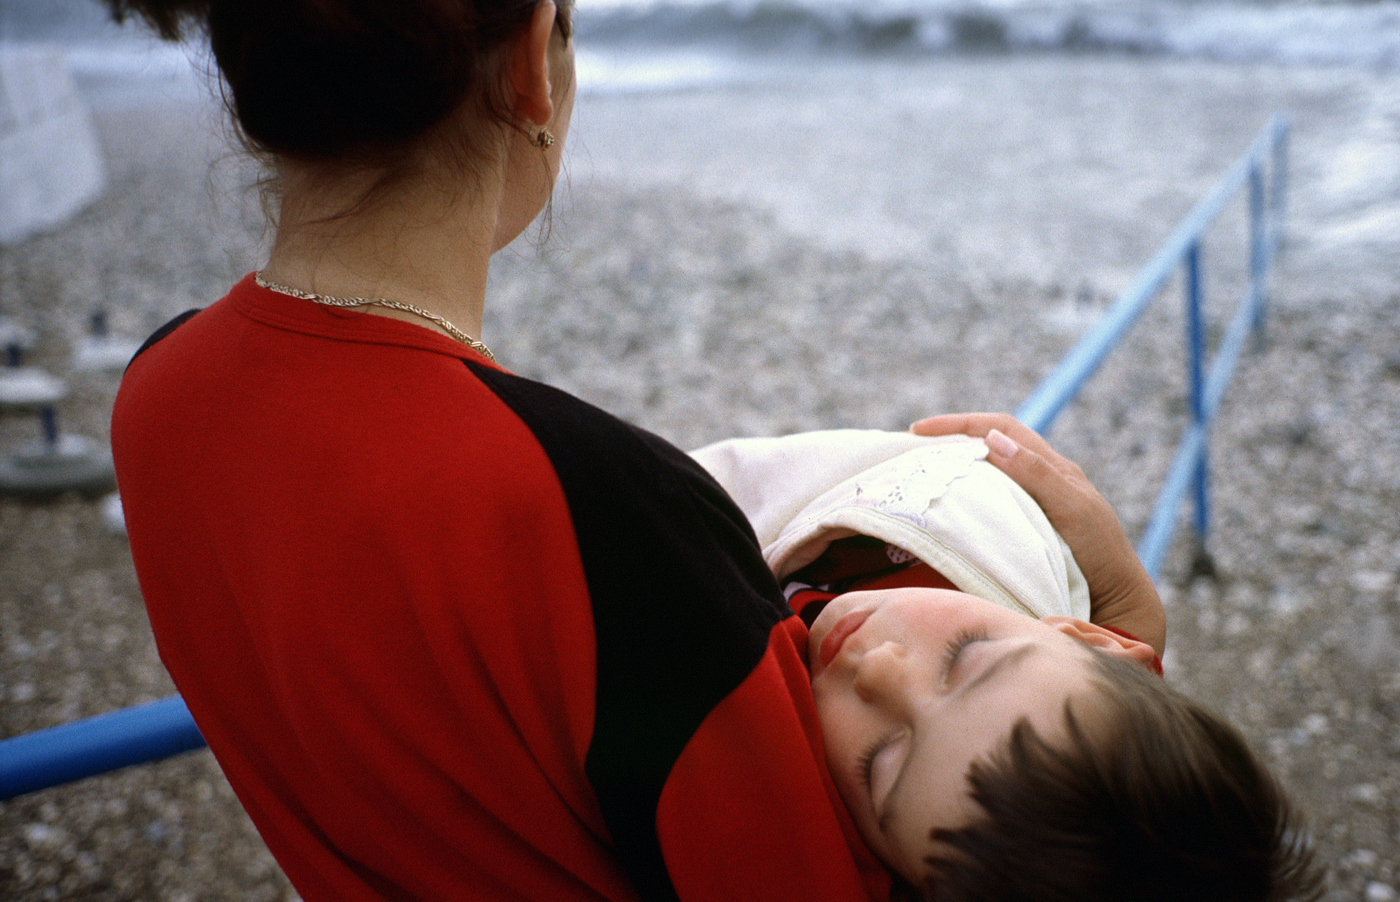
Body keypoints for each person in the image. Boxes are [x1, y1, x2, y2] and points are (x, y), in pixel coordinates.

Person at [102, 2, 1319, 901]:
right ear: (531, 67)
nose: (880, 666)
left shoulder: (154, 402)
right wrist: (1124, 623)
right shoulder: (593, 510)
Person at [697, 415, 1323, 900]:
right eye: (967, 656)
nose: (879, 667)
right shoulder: (985, 534)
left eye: (880, 763)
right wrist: (1127, 624)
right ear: (1090, 636)